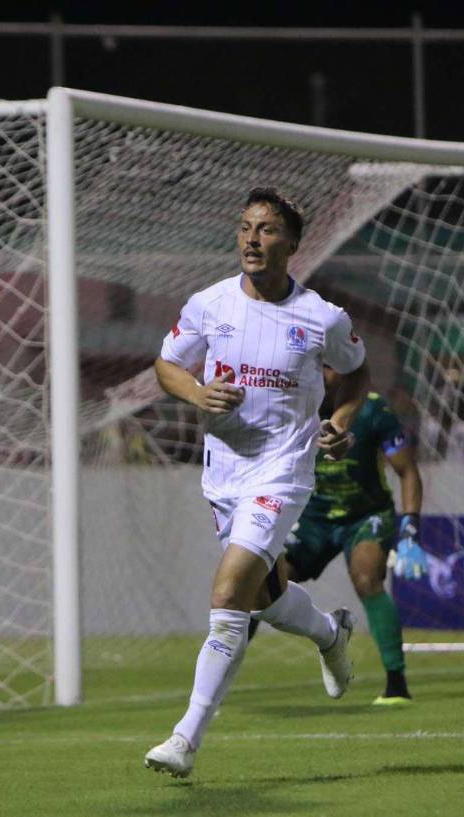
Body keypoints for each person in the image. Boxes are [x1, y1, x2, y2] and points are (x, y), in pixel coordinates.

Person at [145, 187, 370, 778]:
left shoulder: (322, 318)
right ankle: (329, 632)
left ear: (292, 245)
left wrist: (340, 421)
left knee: (228, 598)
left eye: (266, 230)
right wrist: (196, 392)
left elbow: (356, 373)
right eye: (246, 227)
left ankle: (184, 739)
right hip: (224, 474)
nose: (251, 239)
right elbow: (167, 364)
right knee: (264, 598)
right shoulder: (209, 304)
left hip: (283, 472)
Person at [259, 369, 427, 705]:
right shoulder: (292, 408)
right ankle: (221, 683)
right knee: (258, 582)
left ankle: (397, 684)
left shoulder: (373, 409)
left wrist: (409, 530)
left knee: (367, 578)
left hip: (366, 515)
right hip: (313, 519)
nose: (321, 374)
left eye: (329, 366)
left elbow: (407, 471)